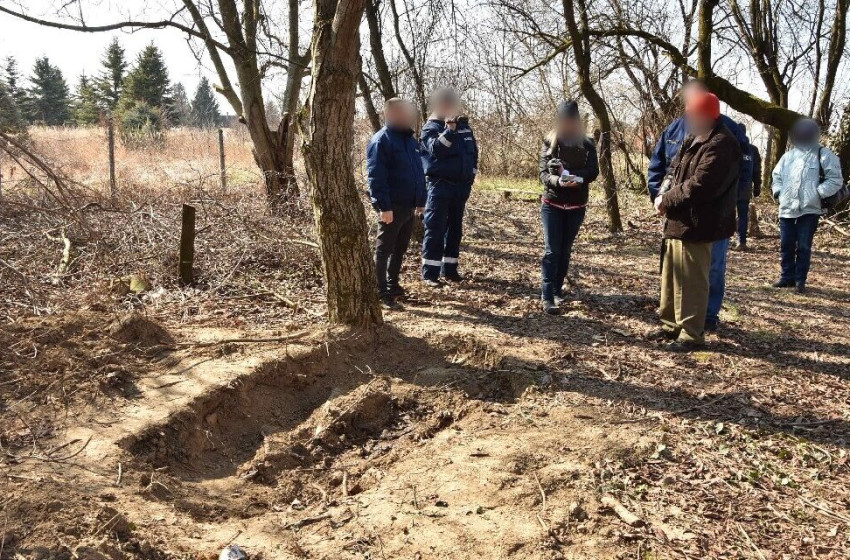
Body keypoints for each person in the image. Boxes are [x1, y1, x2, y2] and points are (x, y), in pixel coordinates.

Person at [647, 79, 753, 332]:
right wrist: (661, 195)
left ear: (707, 114)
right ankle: (670, 325)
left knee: (694, 280)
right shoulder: (692, 136)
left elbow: (701, 184)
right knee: (673, 276)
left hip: (703, 222)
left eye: (694, 114)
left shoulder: (722, 143)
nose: (689, 120)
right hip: (678, 219)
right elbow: (672, 169)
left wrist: (667, 199)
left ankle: (693, 331)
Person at [537, 100, 599, 315]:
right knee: (551, 251)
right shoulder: (550, 142)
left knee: (564, 251)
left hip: (576, 205)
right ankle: (547, 296)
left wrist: (576, 178)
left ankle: (557, 289)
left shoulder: (588, 143)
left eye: (571, 121)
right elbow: (543, 173)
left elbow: (593, 171)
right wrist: (558, 181)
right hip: (552, 204)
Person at [771, 118, 844, 294]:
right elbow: (776, 176)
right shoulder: (788, 156)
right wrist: (779, 193)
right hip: (787, 208)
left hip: (810, 209)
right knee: (786, 244)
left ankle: (800, 280)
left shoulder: (825, 154)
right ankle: (786, 277)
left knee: (803, 245)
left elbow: (836, 180)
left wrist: (817, 193)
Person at [366, 98, 426, 309]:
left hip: (409, 206)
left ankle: (393, 285)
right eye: (402, 112)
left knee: (400, 248)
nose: (407, 116)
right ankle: (380, 292)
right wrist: (384, 207)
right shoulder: (381, 141)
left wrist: (421, 201)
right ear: (390, 114)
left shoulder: (410, 140)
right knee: (384, 250)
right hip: (392, 206)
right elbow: (376, 177)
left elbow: (418, 172)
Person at [419, 88, 479, 287]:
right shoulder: (430, 128)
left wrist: (470, 175)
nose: (450, 107)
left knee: (455, 229)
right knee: (435, 228)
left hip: (460, 187)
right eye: (445, 103)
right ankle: (430, 274)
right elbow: (437, 149)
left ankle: (450, 270)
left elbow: (473, 154)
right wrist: (449, 130)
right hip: (439, 186)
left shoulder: (464, 127)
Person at [733, 123, 762, 251]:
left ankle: (738, 241)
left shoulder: (731, 147)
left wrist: (757, 187)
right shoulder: (752, 150)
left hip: (734, 188)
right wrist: (757, 186)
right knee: (742, 215)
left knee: (735, 214)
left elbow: (757, 170)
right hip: (742, 188)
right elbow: (757, 171)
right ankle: (740, 241)